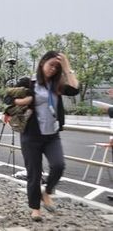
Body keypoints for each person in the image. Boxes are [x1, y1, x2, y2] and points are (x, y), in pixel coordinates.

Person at [12, 51, 79, 221]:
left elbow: (75, 89)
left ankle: (47, 192)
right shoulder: (28, 82)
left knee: (58, 165)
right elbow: (8, 98)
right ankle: (35, 208)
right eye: (51, 65)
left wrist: (67, 66)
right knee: (34, 173)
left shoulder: (57, 85)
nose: (53, 69)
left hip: (52, 135)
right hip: (31, 135)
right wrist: (24, 101)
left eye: (56, 67)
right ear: (42, 63)